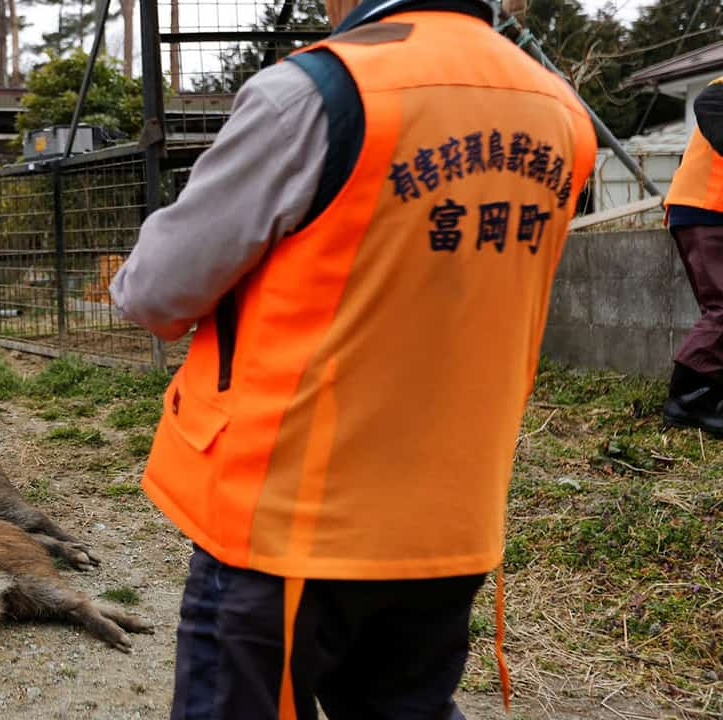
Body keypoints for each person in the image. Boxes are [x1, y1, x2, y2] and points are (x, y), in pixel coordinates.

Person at [109, 0, 597, 717]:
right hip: (451, 523)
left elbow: (155, 292)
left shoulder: (315, 94)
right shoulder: (561, 113)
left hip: (289, 523)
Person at [662, 78, 723, 437]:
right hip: (706, 208)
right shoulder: (719, 90)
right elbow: (707, 101)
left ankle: (708, 397)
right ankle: (685, 400)